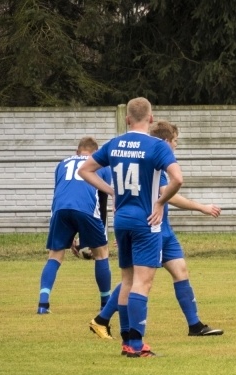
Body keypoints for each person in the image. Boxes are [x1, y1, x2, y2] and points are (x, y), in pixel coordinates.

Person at [89, 121, 224, 347]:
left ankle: (195, 325)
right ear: (166, 141)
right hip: (151, 226)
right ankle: (106, 322)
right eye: (175, 142)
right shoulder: (153, 160)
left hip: (164, 229)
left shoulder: (156, 157)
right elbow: (168, 195)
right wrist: (201, 207)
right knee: (134, 280)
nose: (176, 146)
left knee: (180, 270)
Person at [78, 97, 183, 358]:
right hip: (146, 220)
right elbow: (178, 179)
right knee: (142, 283)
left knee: (126, 280)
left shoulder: (114, 144)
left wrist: (112, 191)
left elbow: (85, 170)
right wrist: (160, 203)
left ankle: (127, 341)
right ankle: (136, 345)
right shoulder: (157, 146)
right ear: (150, 118)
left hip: (121, 220)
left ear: (127, 119)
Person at [36, 137, 112, 314]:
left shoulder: (62, 164)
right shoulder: (101, 165)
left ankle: (43, 304)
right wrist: (101, 236)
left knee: (54, 256)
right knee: (102, 254)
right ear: (95, 153)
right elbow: (101, 202)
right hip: (86, 209)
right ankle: (105, 304)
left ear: (77, 151)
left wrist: (68, 236)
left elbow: (59, 193)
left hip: (60, 210)